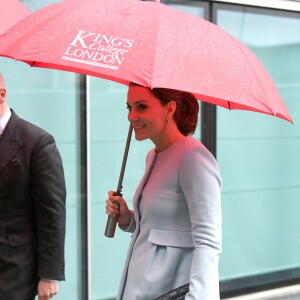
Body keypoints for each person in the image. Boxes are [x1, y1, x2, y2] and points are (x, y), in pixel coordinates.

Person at [106, 83, 222, 299]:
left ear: (169, 109)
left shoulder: (194, 159)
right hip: (140, 286)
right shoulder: (153, 156)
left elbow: (208, 240)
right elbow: (161, 227)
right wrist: (127, 219)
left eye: (141, 107)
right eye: (129, 107)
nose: (132, 116)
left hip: (168, 289)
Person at [0, 72, 66, 300]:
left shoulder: (38, 142)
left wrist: (49, 275)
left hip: (14, 270)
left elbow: (52, 213)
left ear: (1, 95)